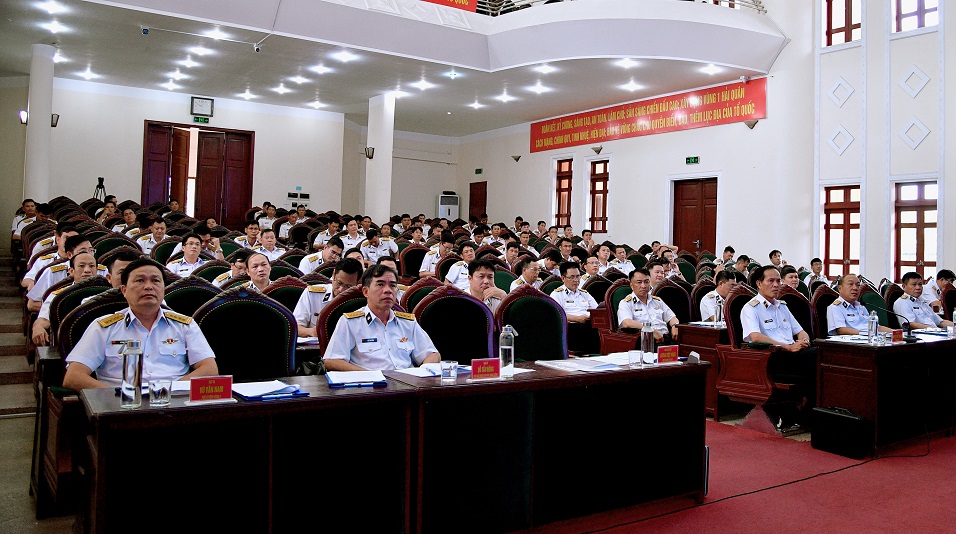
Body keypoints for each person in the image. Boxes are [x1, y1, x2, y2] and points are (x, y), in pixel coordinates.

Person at [62, 258, 218, 390]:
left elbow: (209, 369)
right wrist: (119, 396)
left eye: (155, 281)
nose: (148, 286)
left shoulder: (184, 325)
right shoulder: (104, 327)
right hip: (121, 407)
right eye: (140, 280)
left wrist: (168, 392)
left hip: (174, 404)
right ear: (124, 290)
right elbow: (74, 376)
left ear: (163, 289)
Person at [323, 264, 440, 371]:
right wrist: (369, 376)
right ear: (366, 291)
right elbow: (332, 361)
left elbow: (432, 354)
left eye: (392, 285)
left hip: (408, 383)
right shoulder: (350, 322)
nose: (388, 290)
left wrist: (422, 372)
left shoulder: (407, 322)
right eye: (380, 284)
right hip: (372, 384)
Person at [740, 265, 816, 428]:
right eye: (771, 281)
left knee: (823, 355)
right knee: (817, 356)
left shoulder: (782, 306)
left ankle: (813, 413)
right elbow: (755, 337)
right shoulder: (751, 308)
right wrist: (788, 347)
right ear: (759, 283)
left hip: (794, 354)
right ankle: (806, 414)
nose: (776, 285)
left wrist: (804, 341)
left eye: (778, 281)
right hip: (774, 357)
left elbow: (801, 331)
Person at [31, 252, 99, 346]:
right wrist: (38, 326)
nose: (87, 270)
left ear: (97, 270)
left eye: (91, 266)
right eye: (81, 266)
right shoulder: (59, 296)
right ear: (71, 271)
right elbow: (44, 319)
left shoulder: (108, 292)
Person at [27, 235, 105, 311]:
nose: (88, 254)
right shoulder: (52, 272)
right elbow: (32, 304)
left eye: (91, 250)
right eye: (83, 251)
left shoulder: (103, 270)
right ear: (69, 255)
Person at [293, 257, 363, 337]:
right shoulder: (312, 294)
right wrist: (311, 332)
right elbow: (295, 327)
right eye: (339, 283)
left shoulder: (359, 301)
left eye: (348, 286)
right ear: (333, 274)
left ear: (356, 283)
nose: (341, 290)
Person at [617, 268, 679, 342]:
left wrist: (675, 325)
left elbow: (672, 317)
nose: (643, 286)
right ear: (631, 285)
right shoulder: (626, 303)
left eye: (646, 282)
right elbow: (627, 323)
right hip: (646, 341)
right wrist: (650, 330)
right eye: (639, 282)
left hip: (666, 338)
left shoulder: (657, 301)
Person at [551, 261, 600, 353]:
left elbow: (597, 309)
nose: (576, 280)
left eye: (578, 276)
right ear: (563, 278)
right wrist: (577, 319)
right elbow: (558, 314)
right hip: (571, 326)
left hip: (588, 323)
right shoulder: (557, 294)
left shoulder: (584, 293)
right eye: (572, 277)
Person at [827, 274, 893, 335]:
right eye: (850, 284)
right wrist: (867, 334)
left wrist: (895, 332)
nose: (855, 288)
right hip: (853, 342)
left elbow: (876, 327)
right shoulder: (835, 307)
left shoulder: (861, 307)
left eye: (858, 285)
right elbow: (841, 330)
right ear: (840, 288)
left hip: (869, 338)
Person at [22, 223, 78, 291]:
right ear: (58, 239)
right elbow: (26, 280)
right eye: (66, 238)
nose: (70, 242)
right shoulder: (44, 261)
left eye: (74, 239)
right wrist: (32, 284)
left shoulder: (83, 261)